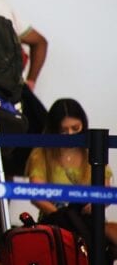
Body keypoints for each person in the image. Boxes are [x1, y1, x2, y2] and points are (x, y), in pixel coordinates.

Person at [25, 98, 117, 247]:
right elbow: (37, 195)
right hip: (55, 223)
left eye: (75, 128)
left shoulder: (92, 150)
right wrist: (64, 217)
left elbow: (106, 191)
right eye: (63, 130)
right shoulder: (41, 153)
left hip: (89, 221)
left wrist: (95, 204)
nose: (70, 134)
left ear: (84, 124)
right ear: (54, 129)